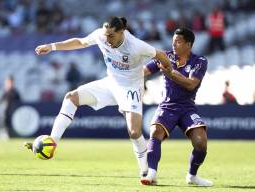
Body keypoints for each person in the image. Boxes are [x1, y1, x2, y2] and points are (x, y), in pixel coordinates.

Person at [24, 16, 171, 178]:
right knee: (71, 97)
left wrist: (169, 70)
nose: (107, 39)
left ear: (122, 32)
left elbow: (161, 55)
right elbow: (80, 42)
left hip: (131, 88)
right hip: (110, 83)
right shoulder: (101, 34)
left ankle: (146, 172)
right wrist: (52, 47)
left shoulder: (136, 46)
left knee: (135, 132)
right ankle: (52, 142)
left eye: (111, 36)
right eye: (105, 34)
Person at [140, 28, 213, 186]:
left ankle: (192, 176)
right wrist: (125, 75)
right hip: (167, 105)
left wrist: (171, 73)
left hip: (187, 108)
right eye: (173, 42)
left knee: (201, 142)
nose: (174, 45)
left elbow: (191, 84)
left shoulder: (200, 61)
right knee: (155, 132)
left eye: (178, 42)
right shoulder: (165, 56)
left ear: (189, 44)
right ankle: (151, 173)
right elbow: (144, 71)